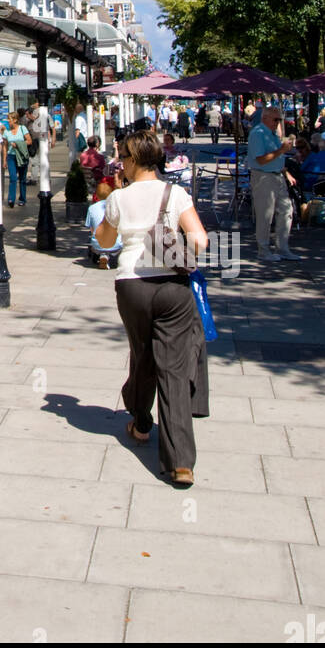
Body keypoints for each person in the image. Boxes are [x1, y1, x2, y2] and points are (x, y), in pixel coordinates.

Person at [95, 130, 210, 487]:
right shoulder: (175, 193)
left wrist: (112, 202)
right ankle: (181, 463)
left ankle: (141, 421)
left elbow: (105, 241)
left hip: (132, 286)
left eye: (121, 159)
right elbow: (201, 241)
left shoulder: (119, 198)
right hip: (172, 287)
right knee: (172, 369)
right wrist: (174, 246)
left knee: (142, 355)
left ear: (130, 160)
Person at [246, 107, 300, 262]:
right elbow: (261, 159)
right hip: (263, 177)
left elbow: (275, 157)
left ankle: (282, 248)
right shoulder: (258, 134)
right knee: (265, 215)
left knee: (286, 210)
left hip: (277, 175)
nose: (278, 123)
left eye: (279, 120)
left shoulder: (272, 134)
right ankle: (263, 250)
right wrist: (282, 150)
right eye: (276, 119)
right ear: (265, 118)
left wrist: (286, 173)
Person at [86, 179, 122, 269]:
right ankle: (114, 257)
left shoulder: (92, 208)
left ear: (96, 196)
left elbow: (91, 228)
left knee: (95, 236)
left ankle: (103, 255)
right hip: (116, 244)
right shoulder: (117, 207)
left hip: (97, 245)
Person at [3, 109, 32, 206]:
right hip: (11, 156)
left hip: (22, 155)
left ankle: (22, 199)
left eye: (9, 119)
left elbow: (29, 141)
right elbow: (4, 147)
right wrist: (4, 160)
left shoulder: (22, 128)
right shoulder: (6, 132)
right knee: (13, 177)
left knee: (22, 178)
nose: (8, 121)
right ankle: (11, 199)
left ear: (15, 120)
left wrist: (19, 144)